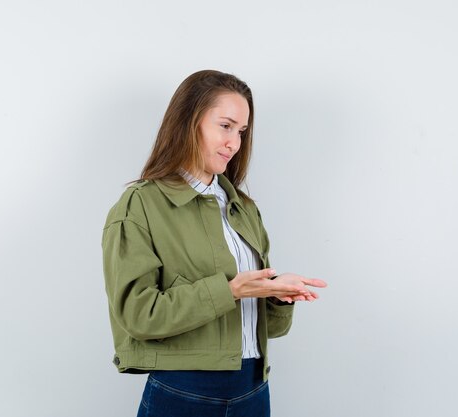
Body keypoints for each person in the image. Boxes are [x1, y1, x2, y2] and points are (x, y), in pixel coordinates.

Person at [102, 69, 327, 417]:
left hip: (253, 389)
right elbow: (137, 315)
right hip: (185, 393)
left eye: (241, 131)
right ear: (188, 121)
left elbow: (270, 329)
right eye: (225, 126)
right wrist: (230, 291)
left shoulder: (242, 208)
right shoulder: (142, 205)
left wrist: (278, 298)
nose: (234, 143)